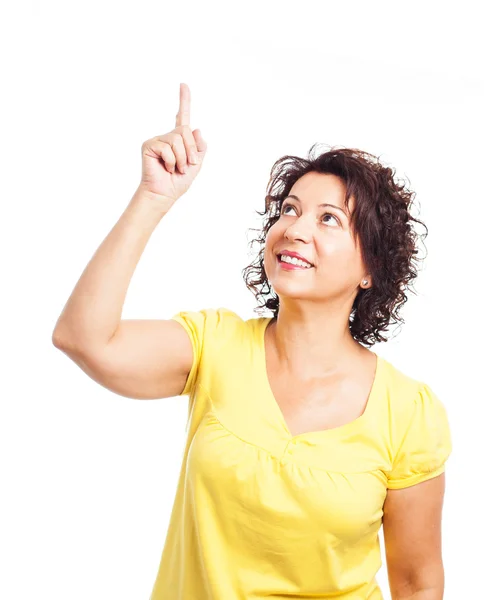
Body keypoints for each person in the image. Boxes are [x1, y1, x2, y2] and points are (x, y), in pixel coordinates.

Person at [52, 82, 453, 600]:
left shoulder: (408, 412)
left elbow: (418, 583)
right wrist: (153, 198)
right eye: (289, 209)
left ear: (371, 267)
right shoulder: (214, 346)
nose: (295, 228)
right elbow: (83, 338)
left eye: (328, 218)